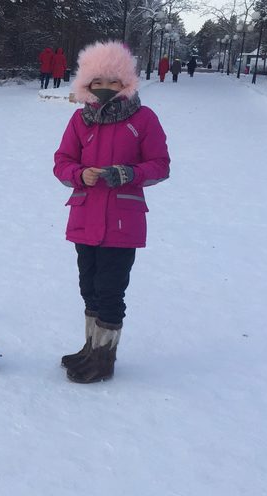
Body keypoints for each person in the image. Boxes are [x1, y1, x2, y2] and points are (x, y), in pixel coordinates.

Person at [52, 40, 171, 383]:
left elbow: (160, 165)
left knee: (110, 290)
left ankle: (104, 359)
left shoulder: (143, 118)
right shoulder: (80, 120)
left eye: (113, 82)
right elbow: (62, 162)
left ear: (127, 83)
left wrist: (130, 173)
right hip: (85, 216)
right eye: (97, 83)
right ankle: (91, 348)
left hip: (122, 221)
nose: (105, 89)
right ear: (86, 85)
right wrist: (79, 174)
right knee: (88, 286)